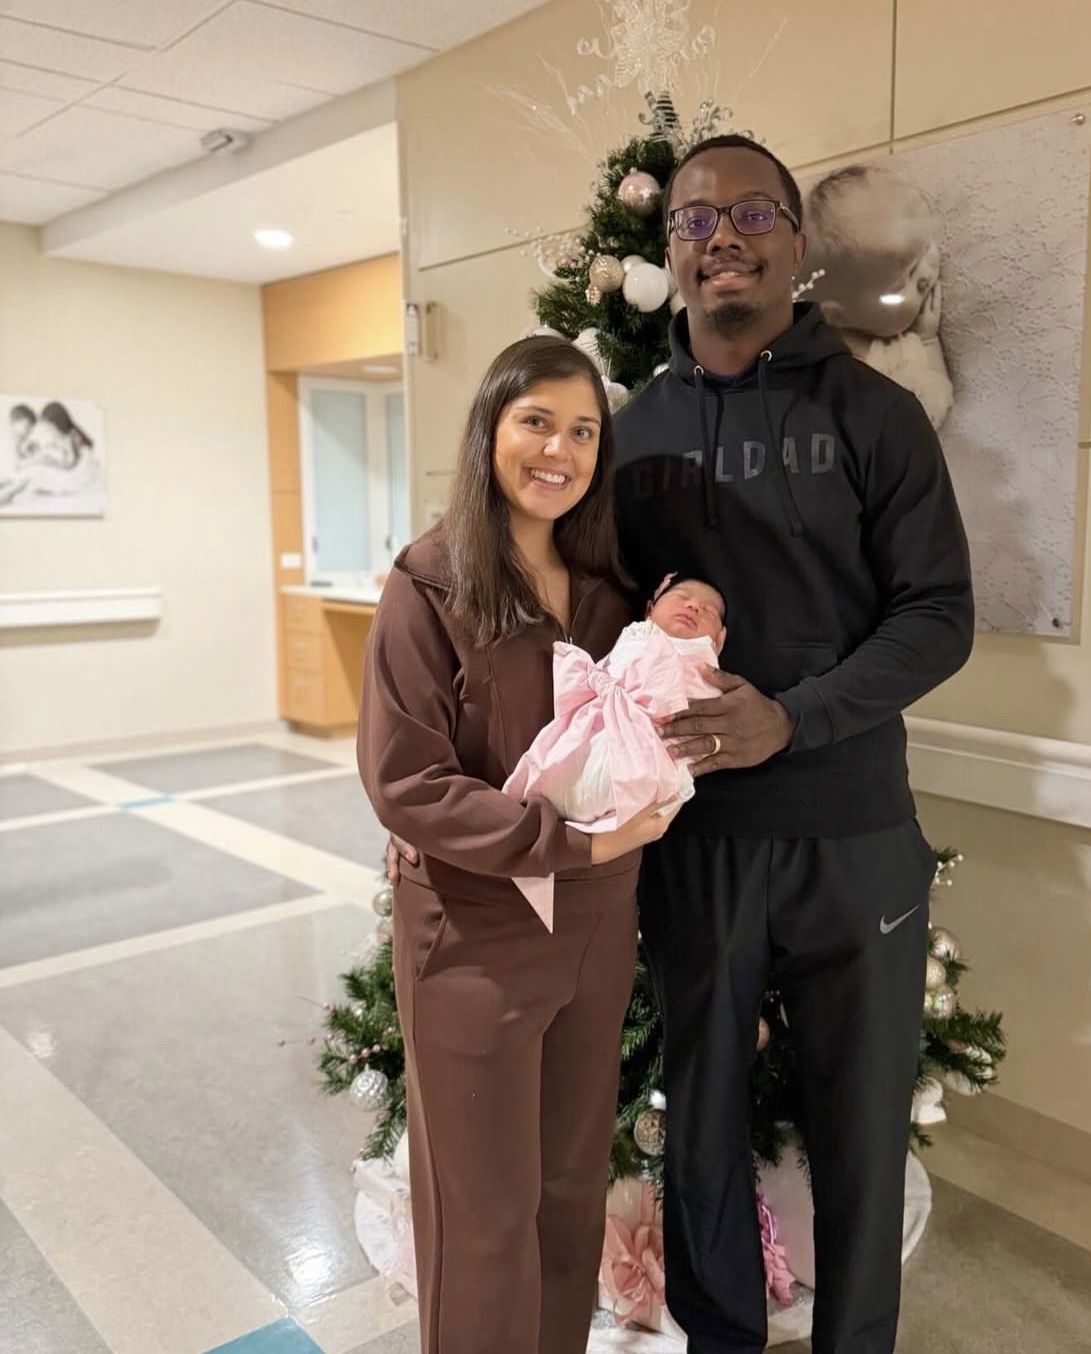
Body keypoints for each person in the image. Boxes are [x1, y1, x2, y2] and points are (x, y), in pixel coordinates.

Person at [611, 134, 975, 1354]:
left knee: (860, 1131)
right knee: (701, 1129)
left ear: (796, 241)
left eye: (752, 213)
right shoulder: (632, 435)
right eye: (695, 219)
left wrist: (794, 714)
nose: (723, 236)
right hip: (696, 843)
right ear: (671, 251)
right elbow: (580, 622)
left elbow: (939, 614)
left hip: (854, 836)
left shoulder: (878, 416)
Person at [356, 335, 678, 1354]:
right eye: (536, 421)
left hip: (594, 929)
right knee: (483, 1217)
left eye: (582, 431)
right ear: (489, 430)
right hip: (474, 932)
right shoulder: (429, 584)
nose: (559, 451)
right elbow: (407, 781)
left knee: (570, 1189)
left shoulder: (607, 587)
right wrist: (569, 843)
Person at [502, 575, 726, 924]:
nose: (694, 606)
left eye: (709, 611)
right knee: (565, 766)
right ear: (650, 610)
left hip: (646, 774)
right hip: (600, 733)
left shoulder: (705, 667)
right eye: (682, 596)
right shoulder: (637, 636)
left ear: (719, 639)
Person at [801, 164, 954, 428]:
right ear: (838, 315)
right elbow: (931, 413)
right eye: (901, 285)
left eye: (925, 249)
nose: (926, 275)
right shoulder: (877, 368)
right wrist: (927, 342)